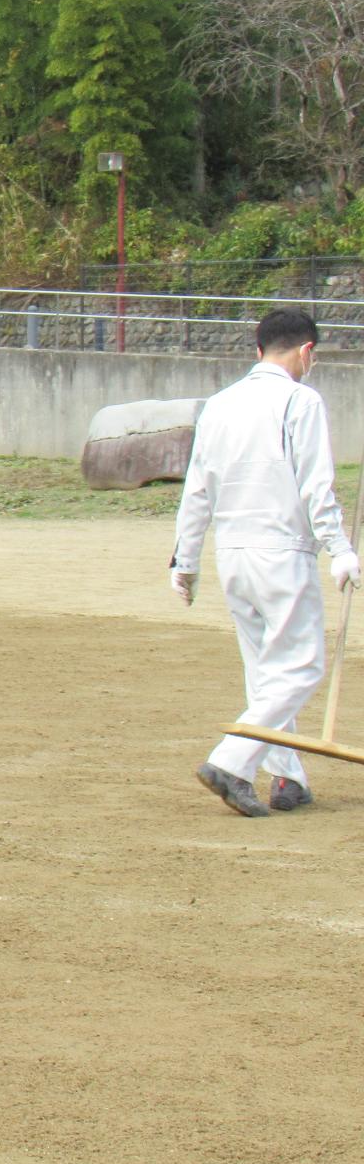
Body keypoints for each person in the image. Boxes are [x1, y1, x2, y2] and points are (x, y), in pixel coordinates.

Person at [172, 307, 359, 817]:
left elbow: (197, 488)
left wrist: (184, 561)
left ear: (258, 351)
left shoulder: (219, 404)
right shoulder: (302, 400)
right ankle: (231, 761)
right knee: (301, 667)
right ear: (306, 352)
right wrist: (340, 550)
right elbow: (316, 484)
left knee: (265, 672)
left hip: (233, 553)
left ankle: (288, 779)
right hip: (283, 553)